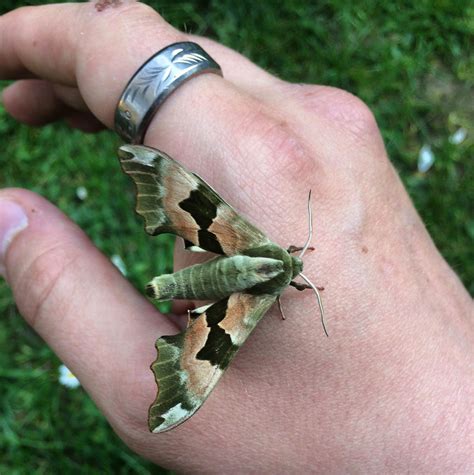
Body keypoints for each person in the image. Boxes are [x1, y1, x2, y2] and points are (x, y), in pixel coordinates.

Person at [0, 2, 472, 472]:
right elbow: (289, 282)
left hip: (225, 243)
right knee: (208, 350)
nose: (294, 268)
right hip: (217, 295)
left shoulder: (253, 242)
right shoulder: (262, 302)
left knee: (193, 204)